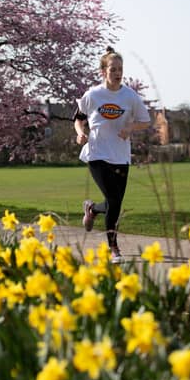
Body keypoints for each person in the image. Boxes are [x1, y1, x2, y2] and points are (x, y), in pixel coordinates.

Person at [74, 46, 151, 263]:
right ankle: (113, 247)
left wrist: (130, 129)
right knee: (114, 199)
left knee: (114, 202)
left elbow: (145, 121)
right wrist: (81, 133)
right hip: (97, 153)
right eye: (113, 69)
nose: (118, 73)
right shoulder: (93, 95)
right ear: (103, 72)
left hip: (121, 156)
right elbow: (79, 118)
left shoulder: (130, 96)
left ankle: (92, 208)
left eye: (120, 69)